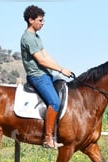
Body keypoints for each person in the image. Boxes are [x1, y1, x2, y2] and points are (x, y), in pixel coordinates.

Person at [20, 5, 72, 149]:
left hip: (46, 74)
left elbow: (46, 55)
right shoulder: (27, 38)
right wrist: (61, 69)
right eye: (40, 20)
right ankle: (48, 138)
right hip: (37, 76)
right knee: (54, 103)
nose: (43, 23)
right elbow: (41, 61)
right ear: (31, 20)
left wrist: (61, 69)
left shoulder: (36, 37)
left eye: (43, 20)